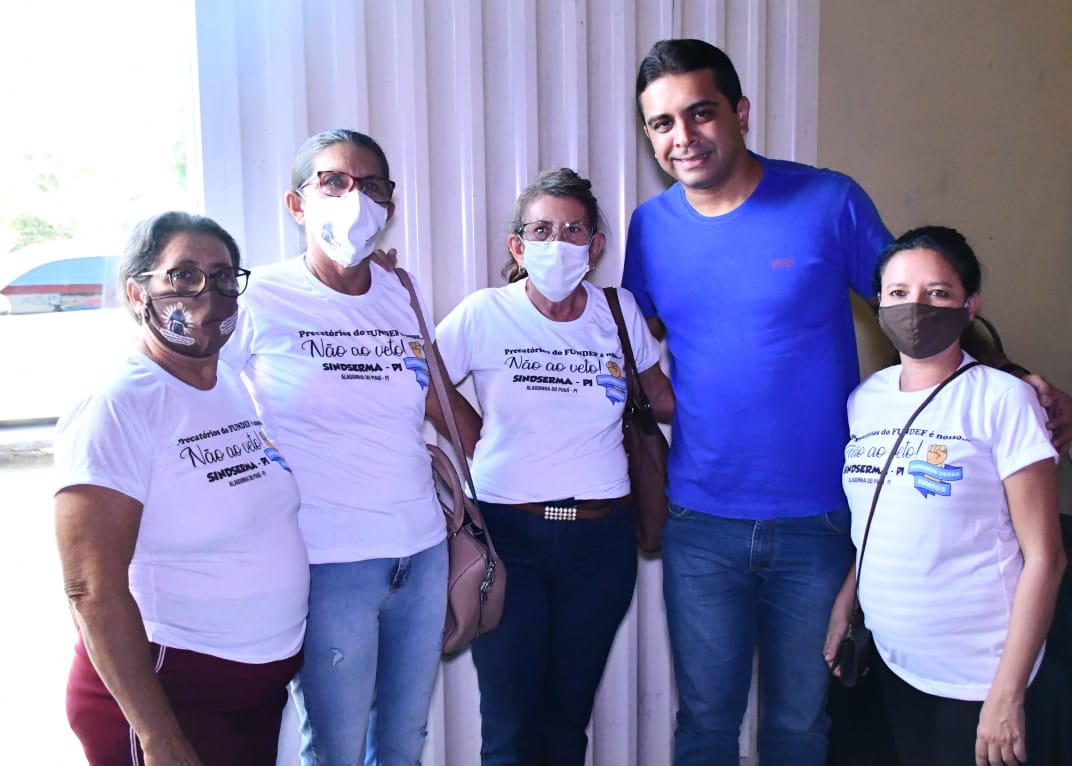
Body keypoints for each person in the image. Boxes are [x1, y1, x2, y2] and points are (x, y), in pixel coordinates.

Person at [621, 38, 1072, 766]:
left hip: (822, 523)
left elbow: (919, 309)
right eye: (662, 123)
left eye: (700, 113)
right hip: (699, 523)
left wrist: (1011, 378)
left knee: (800, 728)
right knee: (703, 726)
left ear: (740, 112)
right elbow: (627, 345)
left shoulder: (829, 202)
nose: (683, 136)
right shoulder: (650, 228)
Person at [221, 128, 480, 766]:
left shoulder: (400, 291)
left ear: (389, 205)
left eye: (371, 186)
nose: (354, 198)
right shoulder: (259, 297)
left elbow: (430, 396)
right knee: (335, 749)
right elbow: (205, 402)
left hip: (421, 553)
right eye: (333, 181)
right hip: (326, 561)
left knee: (402, 744)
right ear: (296, 203)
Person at [435, 168, 673, 765]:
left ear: (595, 245)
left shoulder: (618, 311)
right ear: (517, 246)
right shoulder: (485, 312)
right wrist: (477, 434)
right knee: (511, 724)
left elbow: (661, 399)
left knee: (567, 722)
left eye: (573, 231)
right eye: (541, 230)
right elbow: (425, 381)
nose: (557, 243)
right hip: (508, 535)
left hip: (600, 542)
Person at [54, 212, 309, 766]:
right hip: (167, 702)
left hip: (251, 698)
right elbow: (90, 589)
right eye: (184, 276)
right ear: (136, 292)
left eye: (223, 277)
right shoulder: (118, 405)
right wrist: (159, 737)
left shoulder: (231, 384)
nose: (208, 294)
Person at [824, 226, 1066, 766]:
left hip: (980, 673)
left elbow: (1046, 558)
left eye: (937, 292)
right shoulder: (867, 400)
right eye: (899, 292)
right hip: (899, 662)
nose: (916, 307)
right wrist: (847, 601)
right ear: (879, 302)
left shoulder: (1004, 400)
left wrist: (1007, 694)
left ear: (969, 304)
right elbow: (881, 517)